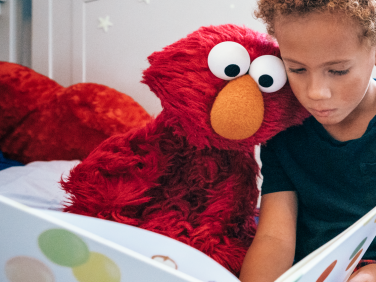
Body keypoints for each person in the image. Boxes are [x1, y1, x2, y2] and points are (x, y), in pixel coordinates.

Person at [239, 1, 376, 281]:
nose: (316, 93)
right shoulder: (284, 129)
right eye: (297, 70)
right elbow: (274, 238)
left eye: (338, 71)